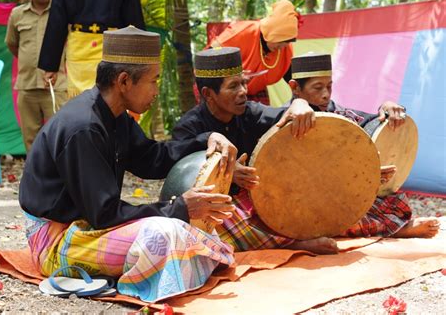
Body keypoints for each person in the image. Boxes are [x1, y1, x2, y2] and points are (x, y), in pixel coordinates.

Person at [19, 26, 239, 303]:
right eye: (153, 81)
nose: (156, 90)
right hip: (56, 240)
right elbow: (105, 213)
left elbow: (153, 160)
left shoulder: (114, 116)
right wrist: (180, 207)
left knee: (184, 230)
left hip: (88, 227)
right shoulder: (84, 128)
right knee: (167, 233)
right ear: (124, 81)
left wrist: (206, 138)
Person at [172, 47, 440, 255]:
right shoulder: (188, 128)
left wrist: (300, 105)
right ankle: (295, 242)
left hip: (291, 196)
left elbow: (284, 115)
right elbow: (183, 175)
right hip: (235, 206)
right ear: (208, 95)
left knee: (363, 204)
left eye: (243, 83)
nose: (244, 91)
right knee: (224, 224)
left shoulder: (251, 113)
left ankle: (294, 236)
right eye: (234, 86)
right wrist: (227, 174)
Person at [286, 52, 440, 239]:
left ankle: (389, 226)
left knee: (388, 197)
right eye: (317, 88)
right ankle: (396, 229)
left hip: (345, 193)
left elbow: (371, 122)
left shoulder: (341, 113)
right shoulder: (283, 119)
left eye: (329, 86)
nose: (326, 94)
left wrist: (387, 108)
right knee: (316, 216)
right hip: (308, 197)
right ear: (295, 87)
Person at [38, 0, 145, 98]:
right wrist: (50, 65)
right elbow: (57, 19)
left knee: (111, 95)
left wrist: (50, 66)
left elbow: (133, 15)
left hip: (110, 45)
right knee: (85, 100)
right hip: (83, 47)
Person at [207, 0, 299, 105]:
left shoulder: (285, 48)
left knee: (263, 118)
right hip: (222, 89)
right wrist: (233, 75)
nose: (281, 48)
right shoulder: (243, 32)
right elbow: (210, 56)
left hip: (256, 91)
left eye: (287, 43)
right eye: (280, 42)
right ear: (270, 33)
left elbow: (291, 76)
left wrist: (300, 96)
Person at [5, 0, 67, 152]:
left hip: (55, 87)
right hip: (27, 85)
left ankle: (60, 175)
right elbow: (12, 44)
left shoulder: (62, 12)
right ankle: (35, 174)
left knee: (60, 135)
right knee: (31, 139)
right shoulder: (17, 14)